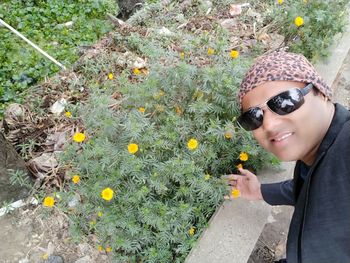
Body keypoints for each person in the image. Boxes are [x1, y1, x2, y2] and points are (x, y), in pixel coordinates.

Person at [227, 51, 350, 263]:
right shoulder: (315, 155)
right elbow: (313, 188)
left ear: (320, 92)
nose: (269, 125)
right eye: (253, 117)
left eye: (285, 102)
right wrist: (261, 192)